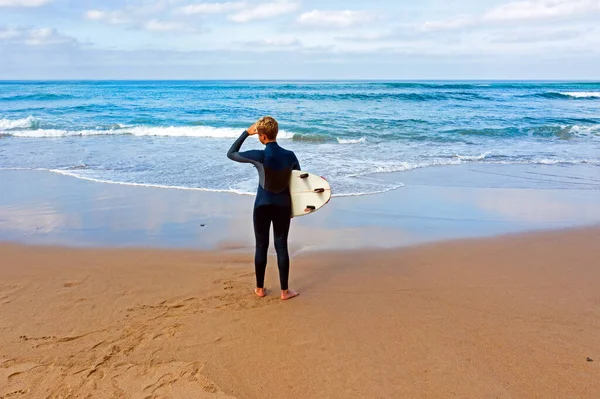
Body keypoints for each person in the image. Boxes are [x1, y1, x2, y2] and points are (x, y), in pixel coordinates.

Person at [227, 116, 300, 300]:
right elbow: (298, 183)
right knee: (281, 246)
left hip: (262, 206)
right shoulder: (290, 155)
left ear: (262, 136)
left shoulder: (259, 155)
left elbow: (232, 153)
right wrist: (295, 208)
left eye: (258, 133)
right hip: (283, 205)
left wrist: (246, 132)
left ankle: (260, 289)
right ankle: (285, 291)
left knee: (261, 245)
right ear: (276, 133)